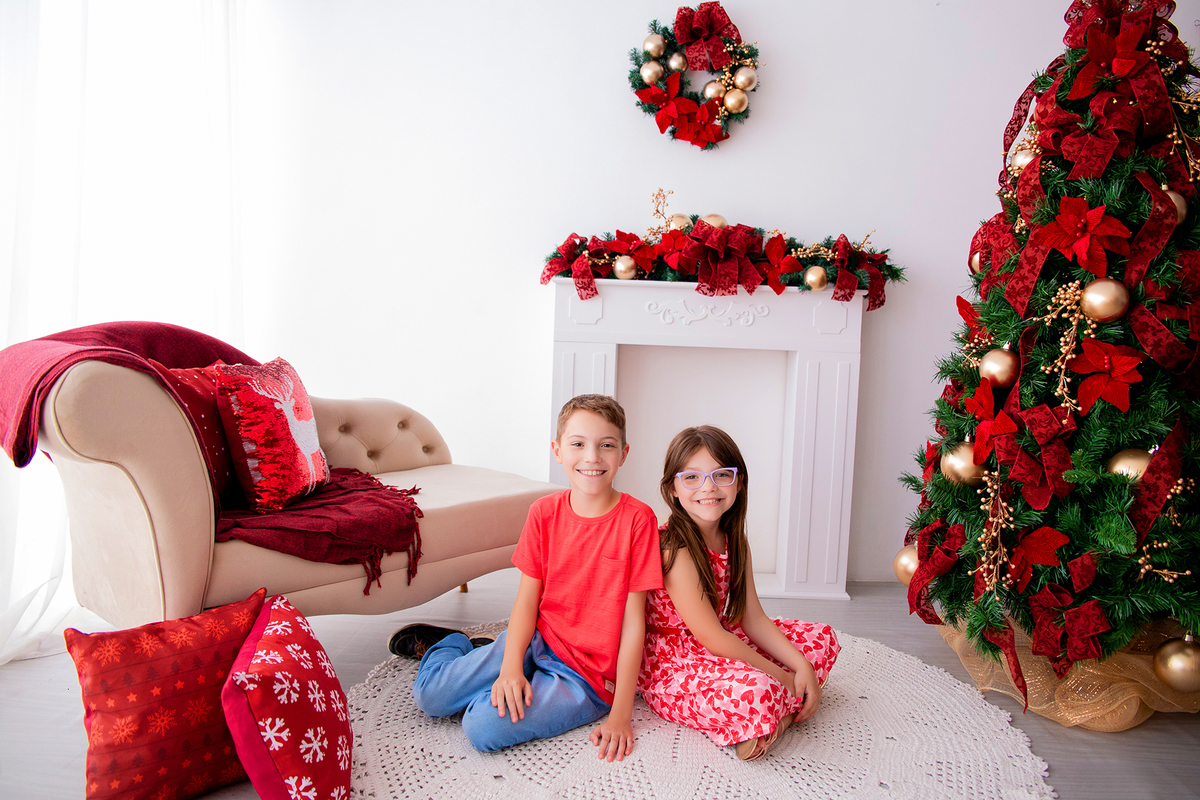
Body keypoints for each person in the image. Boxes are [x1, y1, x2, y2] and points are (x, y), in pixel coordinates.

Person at [397, 394, 662, 760]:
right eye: (578, 444)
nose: (592, 457)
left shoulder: (638, 520)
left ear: (624, 453)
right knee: (431, 697)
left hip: (585, 677)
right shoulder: (544, 513)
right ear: (557, 450)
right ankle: (455, 645)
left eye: (606, 445)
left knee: (482, 727)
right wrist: (508, 667)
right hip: (538, 639)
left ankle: (479, 664)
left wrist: (620, 714)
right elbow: (526, 600)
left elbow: (635, 624)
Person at [638, 425, 840, 761]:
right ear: (672, 488)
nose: (708, 487)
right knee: (759, 689)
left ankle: (781, 713)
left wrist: (799, 666)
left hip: (724, 640)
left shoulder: (735, 540)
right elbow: (711, 636)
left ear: (739, 482)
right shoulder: (675, 548)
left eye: (722, 475)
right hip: (677, 663)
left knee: (820, 639)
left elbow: (753, 619)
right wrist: (782, 677)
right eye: (692, 478)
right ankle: (778, 713)